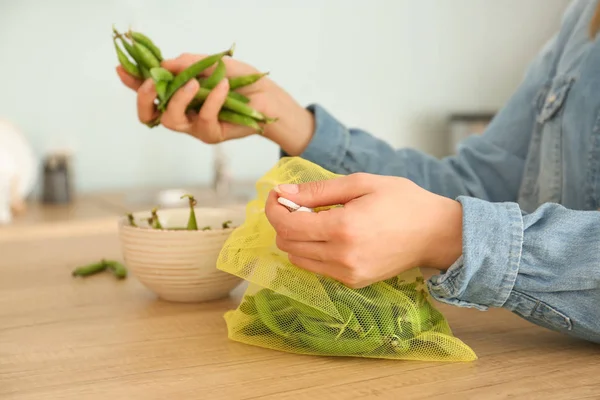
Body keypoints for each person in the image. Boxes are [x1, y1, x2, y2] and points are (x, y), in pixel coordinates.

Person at [117, 0, 600, 345]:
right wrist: (293, 123)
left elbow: (463, 219)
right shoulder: (582, 21)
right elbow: (478, 185)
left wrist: (449, 235)